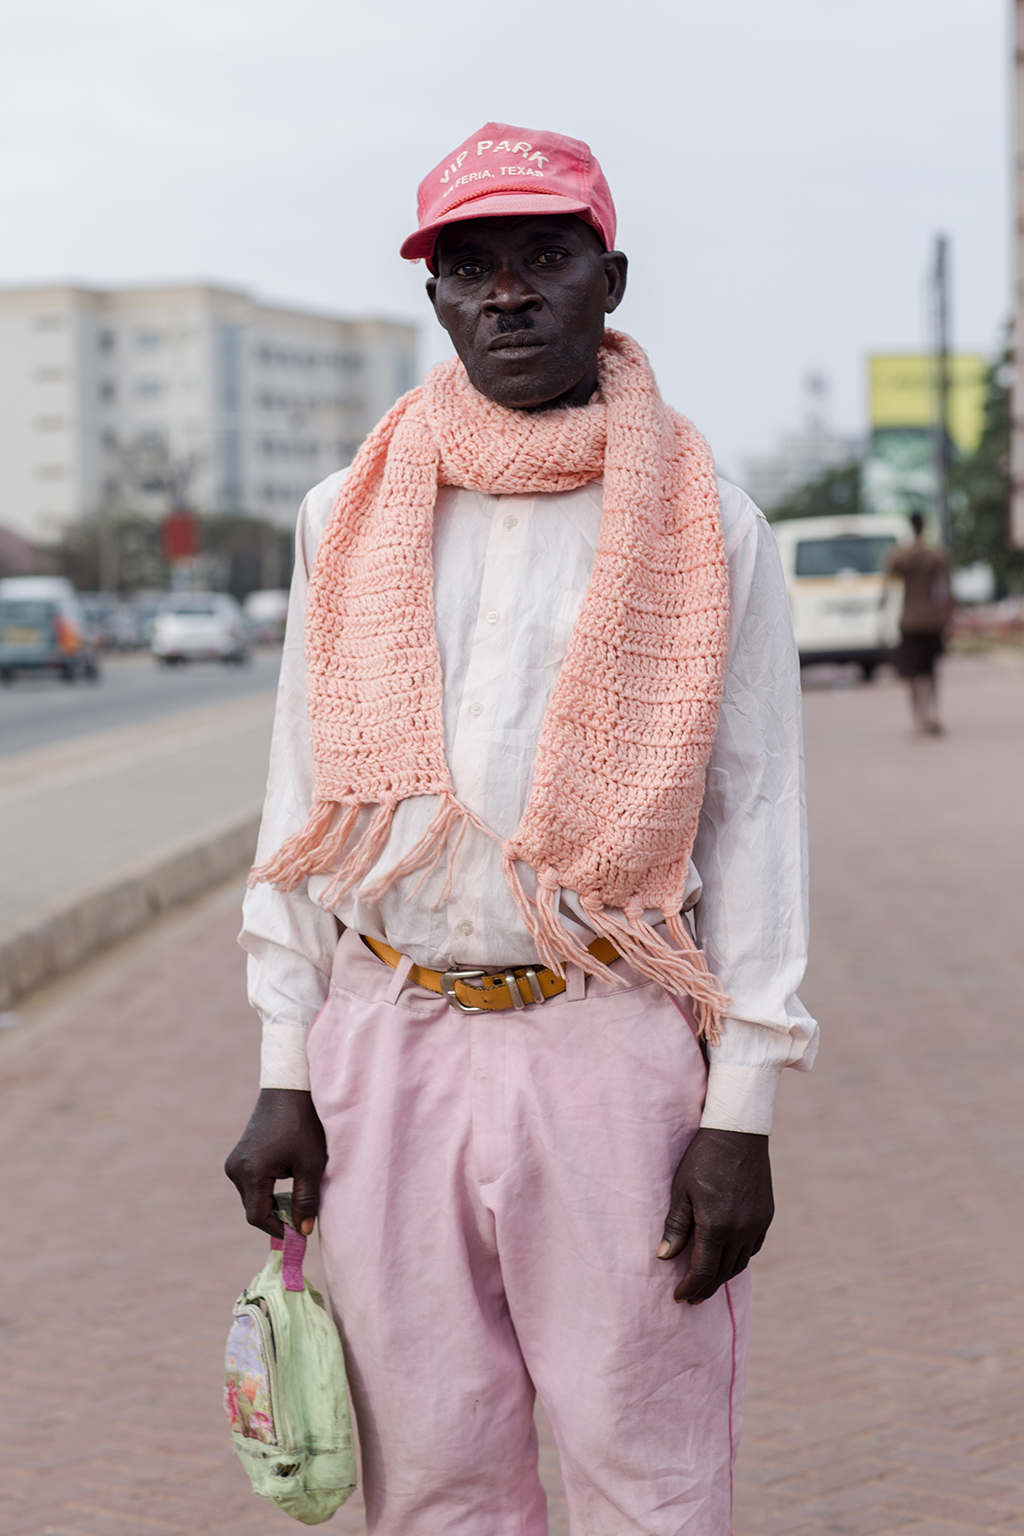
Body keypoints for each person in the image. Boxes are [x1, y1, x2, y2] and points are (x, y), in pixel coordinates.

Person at [226, 123, 818, 1536]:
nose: (507, 294)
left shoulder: (710, 523)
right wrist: (281, 1063)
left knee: (649, 1475)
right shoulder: (349, 513)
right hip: (387, 1041)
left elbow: (758, 828)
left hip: (609, 1045)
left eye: (543, 259)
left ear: (609, 278)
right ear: (434, 296)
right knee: (430, 1481)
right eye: (470, 267)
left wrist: (739, 1112)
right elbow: (304, 795)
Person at [887, 512, 953, 737]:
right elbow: (945, 589)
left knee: (912, 674)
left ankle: (917, 720)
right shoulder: (935, 555)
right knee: (931, 671)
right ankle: (933, 714)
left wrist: (880, 622)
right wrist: (949, 616)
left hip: (909, 621)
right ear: (924, 526)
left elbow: (886, 587)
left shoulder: (899, 556)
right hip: (930, 620)